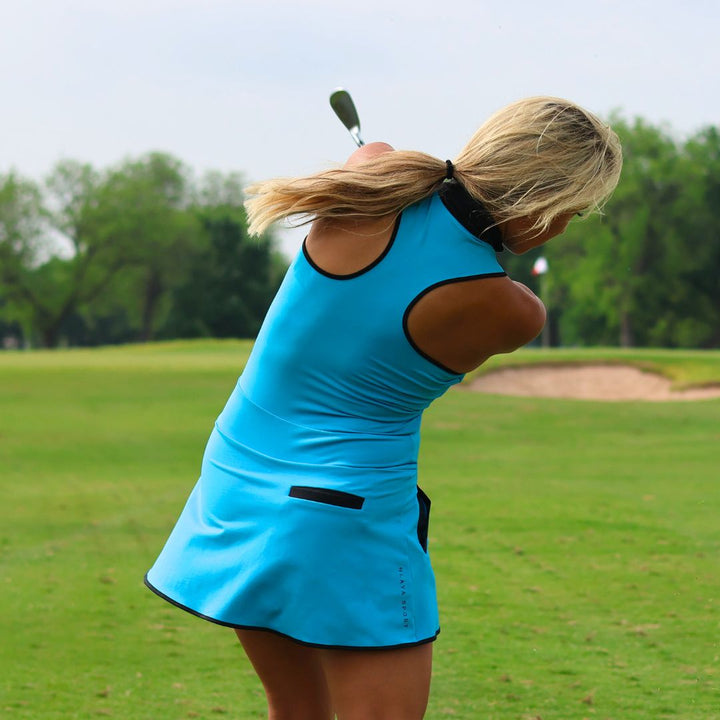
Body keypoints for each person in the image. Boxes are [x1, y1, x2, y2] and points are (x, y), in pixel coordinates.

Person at [145, 96, 622, 719]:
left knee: (297, 710)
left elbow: (382, 160)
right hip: (343, 517)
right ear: (543, 200)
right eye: (571, 212)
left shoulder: (370, 180)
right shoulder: (513, 310)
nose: (562, 228)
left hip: (234, 483)